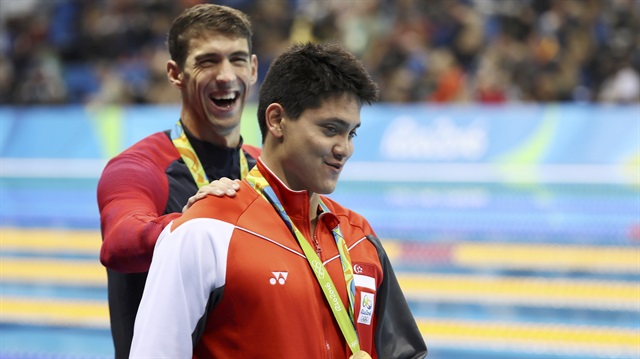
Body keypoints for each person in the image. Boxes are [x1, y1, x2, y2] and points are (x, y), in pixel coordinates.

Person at [130, 42, 427, 359]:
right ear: (276, 120)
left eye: (351, 133)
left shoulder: (358, 238)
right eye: (330, 129)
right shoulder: (206, 230)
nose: (345, 149)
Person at [96, 4, 260, 358]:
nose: (226, 75)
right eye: (207, 61)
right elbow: (119, 244)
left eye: (237, 59)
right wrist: (190, 226)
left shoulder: (266, 171)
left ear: (254, 69)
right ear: (175, 73)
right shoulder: (139, 167)